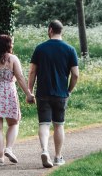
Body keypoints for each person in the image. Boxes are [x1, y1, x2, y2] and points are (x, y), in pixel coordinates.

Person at [27, 20, 79, 168]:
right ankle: (57, 157)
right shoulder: (70, 50)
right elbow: (75, 74)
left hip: (43, 92)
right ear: (61, 31)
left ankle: (44, 150)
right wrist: (69, 90)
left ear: (50, 30)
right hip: (61, 93)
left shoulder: (40, 48)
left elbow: (32, 71)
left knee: (44, 124)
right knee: (59, 125)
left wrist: (29, 91)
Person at [0, 33, 34, 165]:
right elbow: (20, 77)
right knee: (13, 123)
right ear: (8, 45)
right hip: (8, 92)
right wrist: (28, 94)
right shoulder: (13, 59)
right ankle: (8, 148)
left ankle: (0, 158)